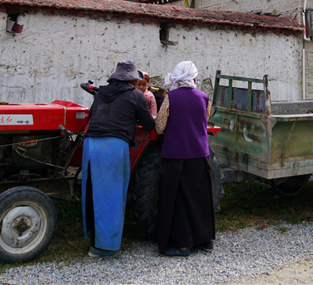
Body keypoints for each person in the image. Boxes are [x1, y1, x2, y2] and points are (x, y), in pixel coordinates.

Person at [81, 60, 155, 258]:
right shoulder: (136, 96)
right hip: (113, 146)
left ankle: (93, 241)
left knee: (93, 194)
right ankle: (105, 247)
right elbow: (148, 124)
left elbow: (92, 116)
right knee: (112, 197)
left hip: (90, 145)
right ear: (132, 79)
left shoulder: (101, 93)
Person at [155, 61, 215, 257]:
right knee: (200, 198)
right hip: (200, 154)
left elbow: (159, 126)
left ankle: (182, 245)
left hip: (176, 155)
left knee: (178, 199)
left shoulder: (170, 97)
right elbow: (204, 122)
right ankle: (205, 241)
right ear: (194, 78)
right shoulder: (205, 98)